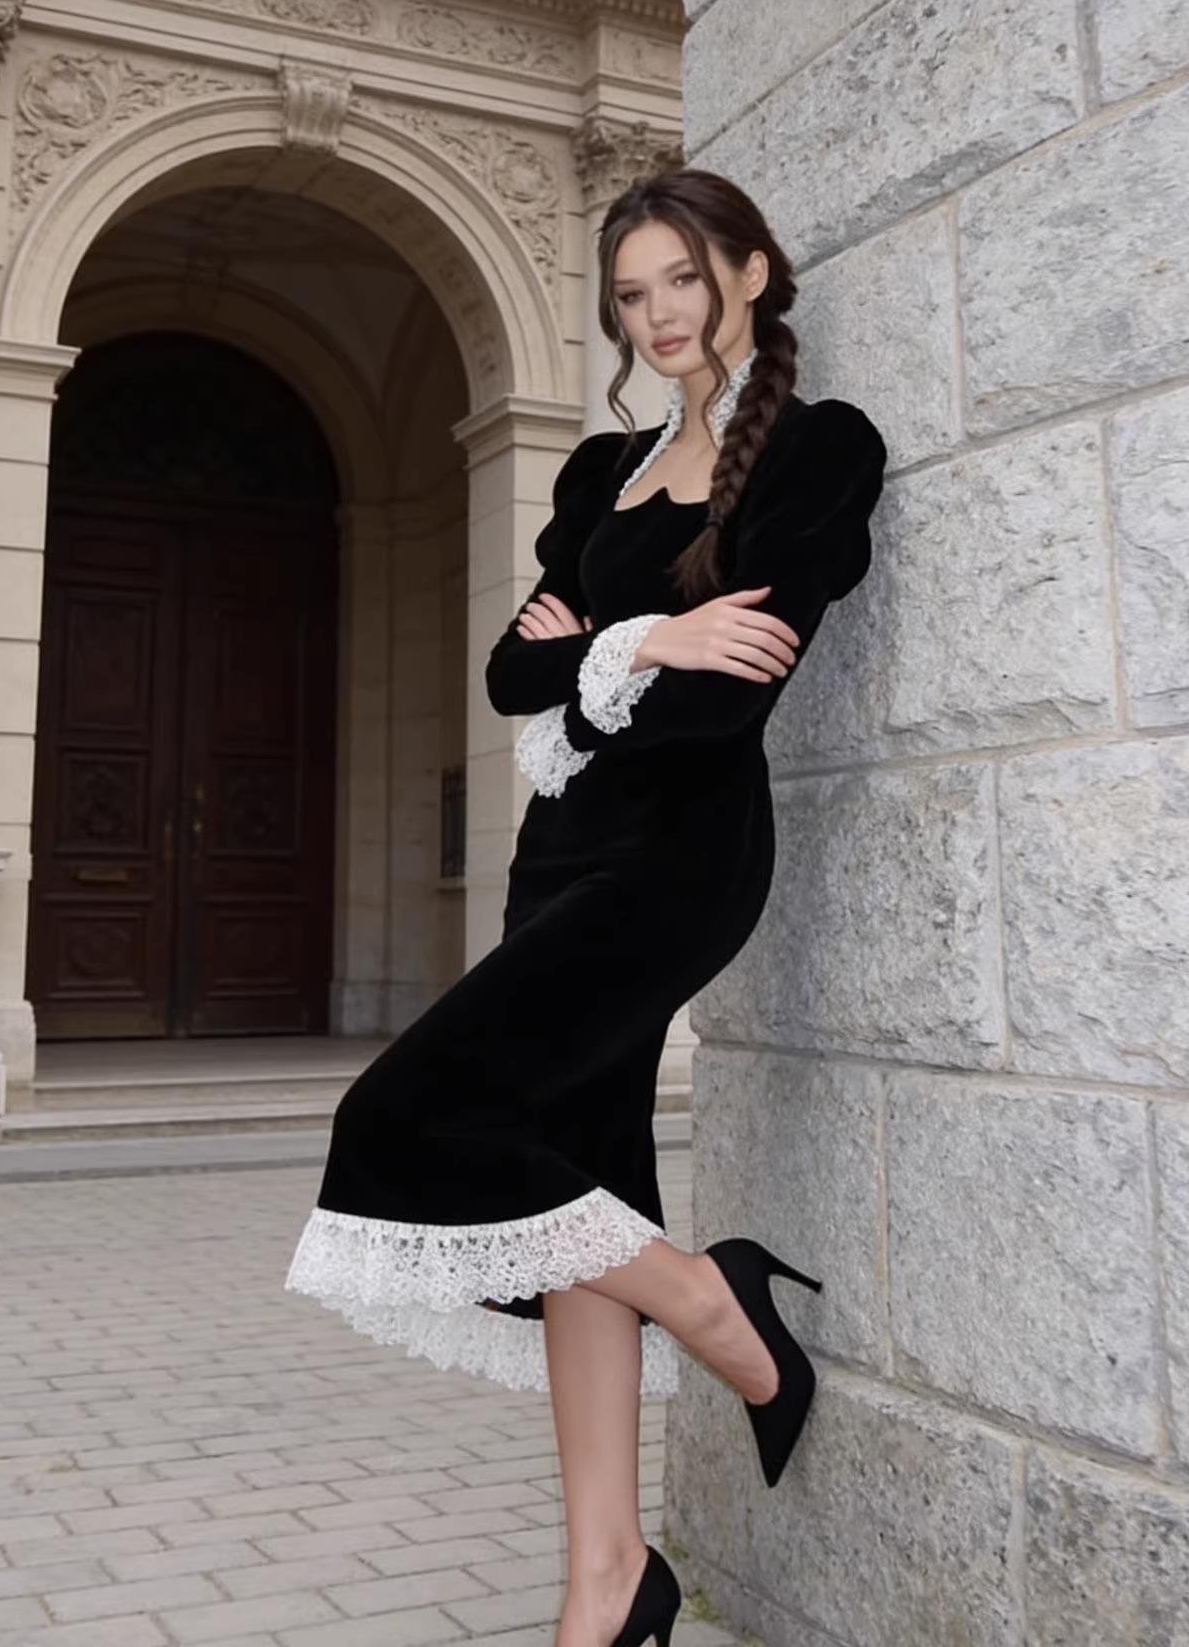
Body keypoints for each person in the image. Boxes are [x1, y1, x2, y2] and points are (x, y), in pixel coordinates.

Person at [286, 168, 888, 1647]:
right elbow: (511, 672)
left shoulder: (816, 450)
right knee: (577, 1182)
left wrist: (606, 649)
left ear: (750, 272)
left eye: (683, 278)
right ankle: (609, 1581)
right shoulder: (600, 474)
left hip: (679, 857)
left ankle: (715, 1305)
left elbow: (724, 702)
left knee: (402, 1117)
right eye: (632, 294)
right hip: (554, 857)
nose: (659, 314)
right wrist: (655, 636)